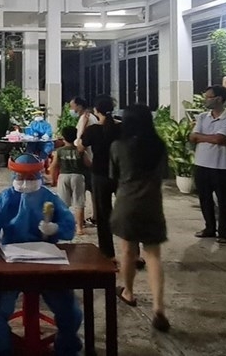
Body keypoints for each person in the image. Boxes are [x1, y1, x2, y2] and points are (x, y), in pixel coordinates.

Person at [0, 154, 83, 356]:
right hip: (12, 262)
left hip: (47, 263)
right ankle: (1, 349)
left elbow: (69, 226)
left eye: (30, 177)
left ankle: (67, 348)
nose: (25, 183)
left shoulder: (49, 199)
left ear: (39, 175)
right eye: (20, 177)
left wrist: (56, 228)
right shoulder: (6, 197)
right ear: (13, 176)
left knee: (70, 311)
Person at [110, 104, 170, 332]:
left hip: (127, 203)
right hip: (152, 204)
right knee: (153, 256)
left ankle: (128, 292)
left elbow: (113, 175)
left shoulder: (118, 146)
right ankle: (159, 308)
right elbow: (164, 174)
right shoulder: (159, 146)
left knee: (127, 251)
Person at [190, 85, 226, 244]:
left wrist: (202, 137)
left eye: (208, 97)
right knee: (205, 199)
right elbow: (192, 137)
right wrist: (212, 138)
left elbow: (221, 140)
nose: (206, 99)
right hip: (201, 164)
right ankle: (209, 228)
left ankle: (223, 233)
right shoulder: (203, 117)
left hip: (222, 167)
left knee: (224, 202)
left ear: (218, 99)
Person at [78, 95, 121, 260]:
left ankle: (108, 254)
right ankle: (134, 255)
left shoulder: (93, 130)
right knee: (127, 213)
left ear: (96, 111)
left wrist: (82, 129)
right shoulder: (122, 128)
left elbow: (80, 147)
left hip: (100, 175)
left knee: (103, 216)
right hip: (121, 175)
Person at [47, 127, 87, 235]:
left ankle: (65, 225)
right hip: (78, 176)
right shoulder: (79, 150)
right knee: (79, 202)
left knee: (63, 203)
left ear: (63, 138)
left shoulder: (59, 151)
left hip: (64, 176)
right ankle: (79, 228)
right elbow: (89, 163)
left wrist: (53, 179)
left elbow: (54, 166)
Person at [69, 96, 98, 226]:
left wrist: (73, 146)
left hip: (87, 157)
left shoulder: (85, 118)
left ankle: (81, 221)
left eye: (72, 106)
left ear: (79, 106)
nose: (71, 109)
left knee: (82, 191)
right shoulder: (89, 117)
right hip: (91, 156)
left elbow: (80, 139)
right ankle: (95, 216)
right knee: (91, 189)